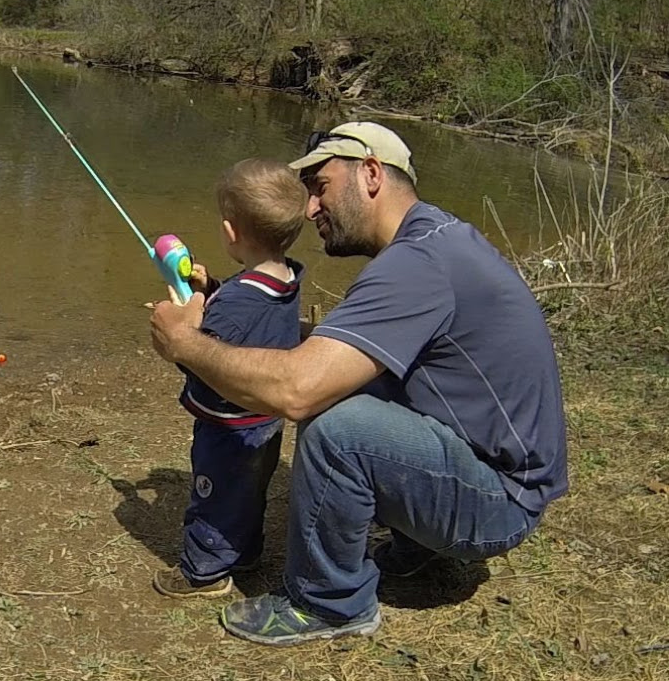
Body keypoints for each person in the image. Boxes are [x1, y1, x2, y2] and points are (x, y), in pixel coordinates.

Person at [148, 122, 567, 646]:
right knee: (343, 380)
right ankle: (418, 545)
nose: (309, 209)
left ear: (370, 174)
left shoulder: (417, 263)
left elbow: (296, 391)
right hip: (496, 479)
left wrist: (185, 344)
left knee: (332, 419)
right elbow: (336, 347)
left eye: (320, 186)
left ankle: (327, 603)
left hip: (499, 503)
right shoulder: (434, 238)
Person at [152, 159, 306, 600]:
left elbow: (204, 358)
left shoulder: (237, 301)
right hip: (265, 419)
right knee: (249, 489)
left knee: (214, 493)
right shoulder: (285, 279)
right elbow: (246, 316)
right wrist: (210, 287)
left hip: (227, 424)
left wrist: (182, 326)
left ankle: (204, 570)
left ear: (231, 231)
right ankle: (246, 551)